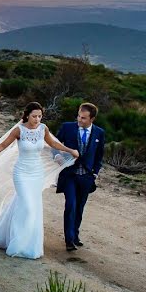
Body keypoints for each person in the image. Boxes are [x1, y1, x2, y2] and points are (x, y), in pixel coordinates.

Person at [0, 102, 79, 259]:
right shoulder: (19, 130)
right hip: (22, 173)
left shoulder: (43, 129)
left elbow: (53, 144)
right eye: (34, 116)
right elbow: (3, 145)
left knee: (30, 207)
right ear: (27, 115)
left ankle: (27, 244)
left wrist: (70, 150)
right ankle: (17, 242)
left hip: (37, 173)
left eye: (40, 116)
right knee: (28, 206)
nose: (37, 119)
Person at [54, 103, 105, 252]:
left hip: (87, 177)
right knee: (71, 204)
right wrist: (57, 156)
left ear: (92, 119)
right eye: (78, 116)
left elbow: (99, 155)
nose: (79, 120)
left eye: (83, 118)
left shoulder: (99, 133)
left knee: (80, 207)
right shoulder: (67, 127)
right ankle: (69, 240)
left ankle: (75, 235)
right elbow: (54, 144)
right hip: (69, 174)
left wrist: (95, 173)